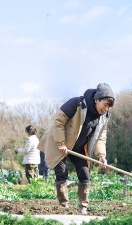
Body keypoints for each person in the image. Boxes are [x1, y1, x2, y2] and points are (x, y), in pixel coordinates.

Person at [38, 83, 115, 215]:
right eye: (105, 104)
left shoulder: (104, 116)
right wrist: (61, 143)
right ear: (97, 99)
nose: (106, 109)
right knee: (62, 172)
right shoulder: (76, 104)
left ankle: (82, 206)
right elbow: (58, 122)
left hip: (79, 147)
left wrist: (101, 155)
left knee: (85, 173)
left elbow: (101, 137)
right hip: (59, 143)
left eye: (109, 106)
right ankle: (64, 206)